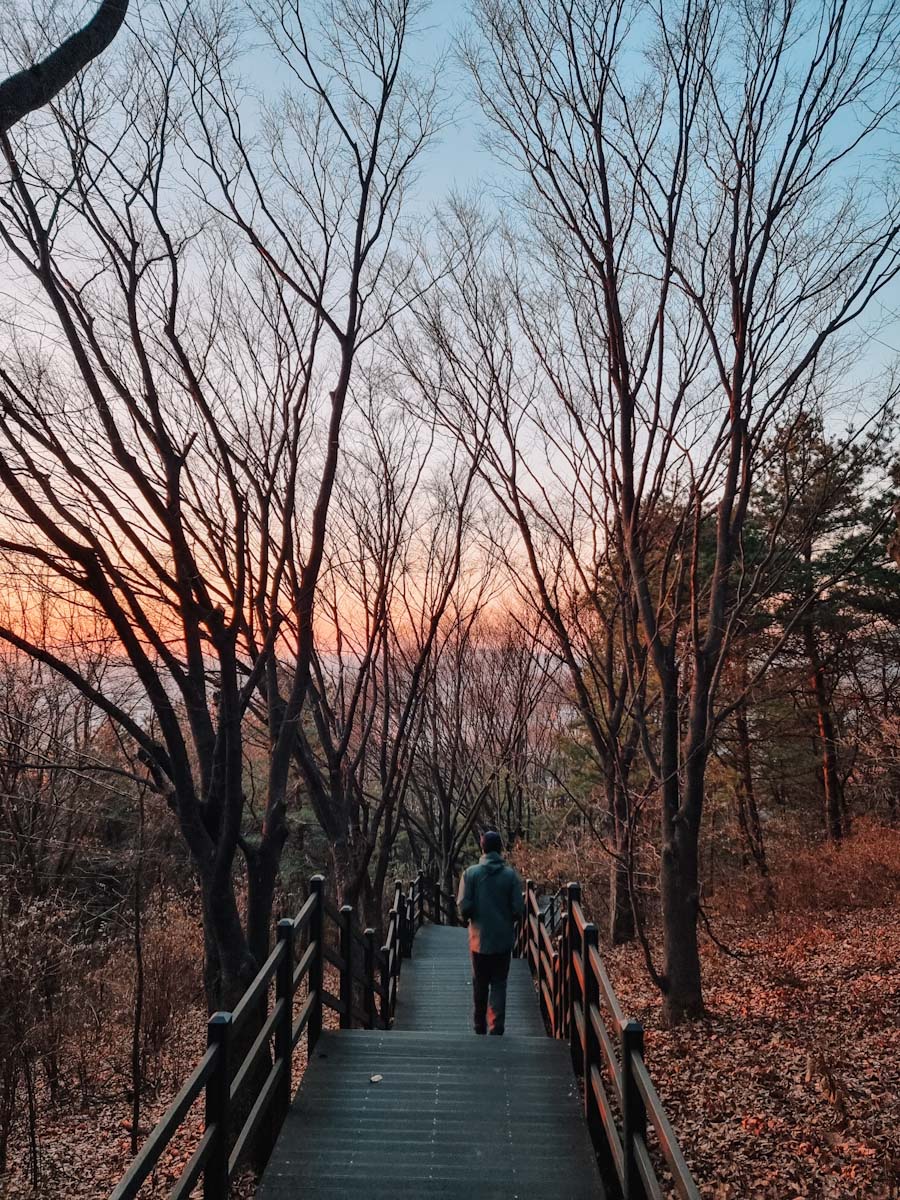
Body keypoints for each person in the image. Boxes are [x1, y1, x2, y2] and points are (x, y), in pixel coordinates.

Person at [456, 830, 524, 1036]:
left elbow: (463, 906)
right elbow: (518, 910)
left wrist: (473, 916)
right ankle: (497, 1026)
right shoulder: (511, 876)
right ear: (500, 849)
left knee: (480, 982)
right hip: (503, 940)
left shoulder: (470, 874)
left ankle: (479, 1025)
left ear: (482, 847)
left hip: (479, 940)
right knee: (499, 983)